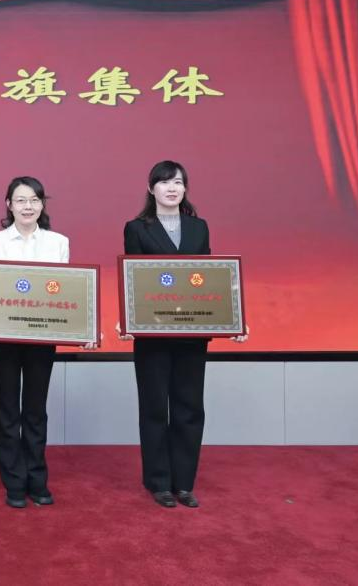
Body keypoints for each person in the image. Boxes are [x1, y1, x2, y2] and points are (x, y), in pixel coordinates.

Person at [121, 160, 246, 509]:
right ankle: (159, 482)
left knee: (189, 408)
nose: (172, 188)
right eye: (164, 182)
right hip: (153, 336)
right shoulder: (137, 228)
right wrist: (130, 318)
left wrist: (233, 318)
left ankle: (184, 483)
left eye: (178, 182)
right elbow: (134, 280)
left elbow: (209, 278)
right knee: (154, 408)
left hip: (192, 333)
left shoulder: (198, 227)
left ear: (185, 188)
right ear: (151, 189)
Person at [0, 176, 95, 510]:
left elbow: (66, 291)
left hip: (43, 336)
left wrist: (82, 328)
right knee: (7, 409)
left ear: (42, 204)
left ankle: (37, 478)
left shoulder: (58, 242)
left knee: (35, 409)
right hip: (4, 338)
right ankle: (13, 481)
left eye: (34, 200)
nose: (27, 206)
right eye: (20, 200)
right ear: (9, 205)